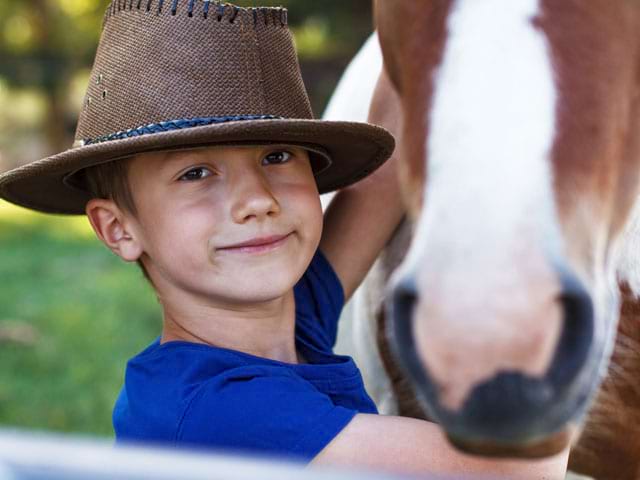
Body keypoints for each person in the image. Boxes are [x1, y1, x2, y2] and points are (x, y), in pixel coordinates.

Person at [0, 2, 568, 477]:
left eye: (277, 157)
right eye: (196, 173)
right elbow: (510, 469)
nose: (258, 200)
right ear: (118, 228)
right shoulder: (220, 410)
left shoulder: (283, 324)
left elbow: (380, 182)